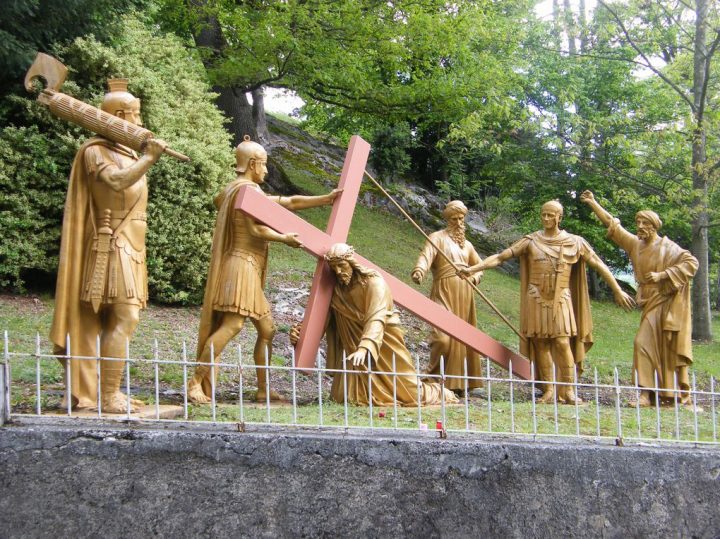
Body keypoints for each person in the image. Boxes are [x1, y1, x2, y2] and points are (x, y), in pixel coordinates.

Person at [188, 136, 340, 403]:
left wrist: (325, 200)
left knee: (267, 330)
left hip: (245, 265)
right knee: (233, 325)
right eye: (264, 165)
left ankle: (263, 388)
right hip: (242, 265)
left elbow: (288, 202)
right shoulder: (247, 191)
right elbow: (254, 229)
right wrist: (285, 238)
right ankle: (195, 382)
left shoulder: (236, 190)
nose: (267, 171)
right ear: (252, 164)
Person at [50, 79, 168, 412]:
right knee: (124, 316)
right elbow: (116, 181)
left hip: (132, 245)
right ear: (117, 116)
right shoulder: (95, 151)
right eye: (135, 116)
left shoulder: (124, 152)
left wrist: (142, 157)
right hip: (110, 244)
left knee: (123, 319)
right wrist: (149, 159)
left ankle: (107, 390)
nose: (140, 124)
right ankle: (108, 394)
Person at [459, 200, 635, 404]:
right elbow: (500, 257)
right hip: (536, 297)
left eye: (551, 215)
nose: (546, 219)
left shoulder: (575, 242)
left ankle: (568, 390)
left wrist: (617, 289)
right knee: (541, 344)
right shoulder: (531, 240)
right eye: (543, 214)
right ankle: (549, 390)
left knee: (561, 342)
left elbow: (598, 264)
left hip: (561, 298)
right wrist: (473, 269)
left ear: (560, 217)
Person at [291, 243, 458, 406]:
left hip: (384, 341)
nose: (339, 271)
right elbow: (322, 320)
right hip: (353, 348)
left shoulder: (373, 282)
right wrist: (301, 334)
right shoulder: (337, 290)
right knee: (343, 398)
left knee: (410, 393)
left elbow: (376, 317)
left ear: (352, 263)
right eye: (334, 268)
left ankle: (440, 392)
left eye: (342, 265)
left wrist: (364, 348)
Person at [580, 191, 698, 406]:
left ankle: (666, 394)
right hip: (650, 302)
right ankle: (647, 393)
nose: (639, 226)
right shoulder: (636, 245)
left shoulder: (669, 248)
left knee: (664, 347)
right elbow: (613, 226)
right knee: (644, 344)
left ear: (654, 226)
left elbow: (691, 264)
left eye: (644, 223)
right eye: (637, 222)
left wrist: (663, 275)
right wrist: (593, 203)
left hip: (667, 302)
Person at [411, 200, 483, 395]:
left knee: (463, 338)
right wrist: (420, 270)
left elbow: (479, 266)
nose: (458, 222)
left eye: (461, 218)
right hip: (443, 292)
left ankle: (460, 384)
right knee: (442, 338)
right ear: (447, 219)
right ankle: (433, 378)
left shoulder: (467, 245)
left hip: (464, 294)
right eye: (454, 219)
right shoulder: (438, 238)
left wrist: (474, 277)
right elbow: (426, 255)